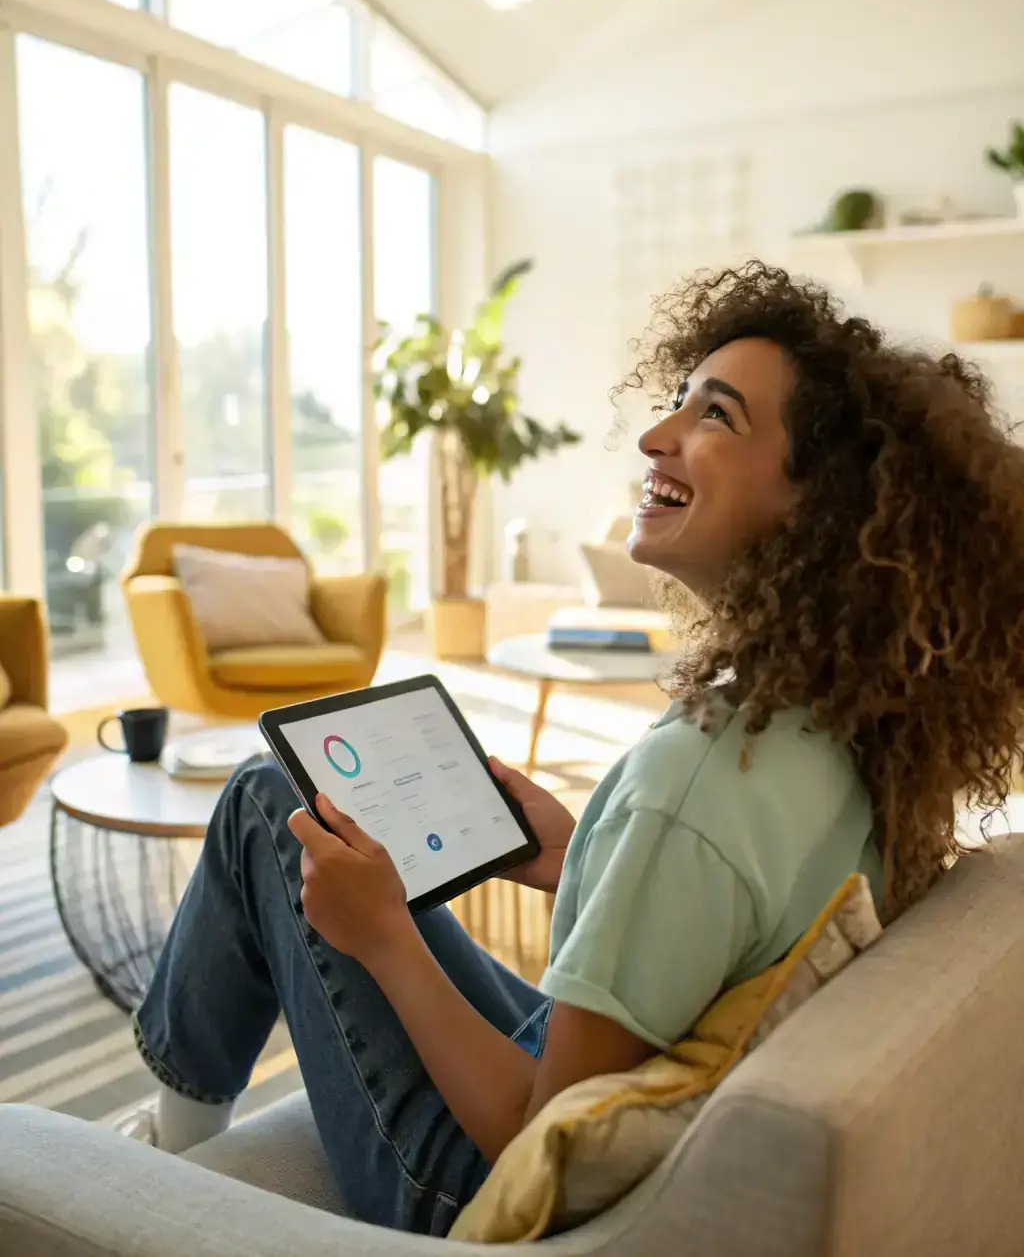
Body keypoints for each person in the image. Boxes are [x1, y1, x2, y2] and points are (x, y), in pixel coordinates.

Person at [122, 262, 1024, 1235]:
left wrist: (381, 933)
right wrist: (576, 861)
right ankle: (184, 1132)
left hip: (456, 1186)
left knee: (268, 802)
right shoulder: (846, 736)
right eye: (677, 402)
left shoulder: (697, 780)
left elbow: (527, 1128)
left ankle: (171, 1157)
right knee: (300, 805)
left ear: (821, 501)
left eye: (714, 416)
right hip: (618, 1089)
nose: (653, 436)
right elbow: (733, 919)